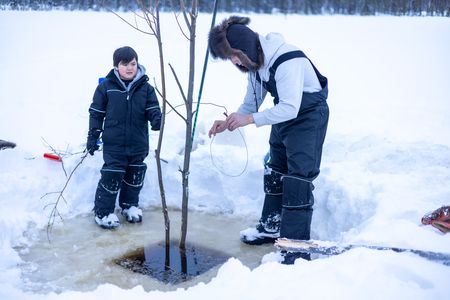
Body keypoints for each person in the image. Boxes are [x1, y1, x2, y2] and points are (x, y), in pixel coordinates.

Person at [208, 16, 329, 255]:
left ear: (245, 48)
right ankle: (271, 227)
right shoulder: (255, 64)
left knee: (298, 179)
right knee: (275, 170)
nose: (234, 62)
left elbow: (291, 107)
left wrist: (250, 120)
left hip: (308, 116)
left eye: (233, 55)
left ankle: (295, 246)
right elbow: (252, 102)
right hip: (282, 117)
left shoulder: (287, 59)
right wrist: (232, 121)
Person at [87, 46, 161, 229]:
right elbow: (96, 113)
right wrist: (93, 136)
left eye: (133, 63)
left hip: (138, 142)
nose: (130, 68)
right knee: (112, 175)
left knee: (135, 175)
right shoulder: (106, 87)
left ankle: (129, 206)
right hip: (114, 144)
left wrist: (157, 119)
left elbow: (153, 108)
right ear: (116, 66)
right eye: (125, 64)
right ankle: (103, 212)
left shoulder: (146, 88)